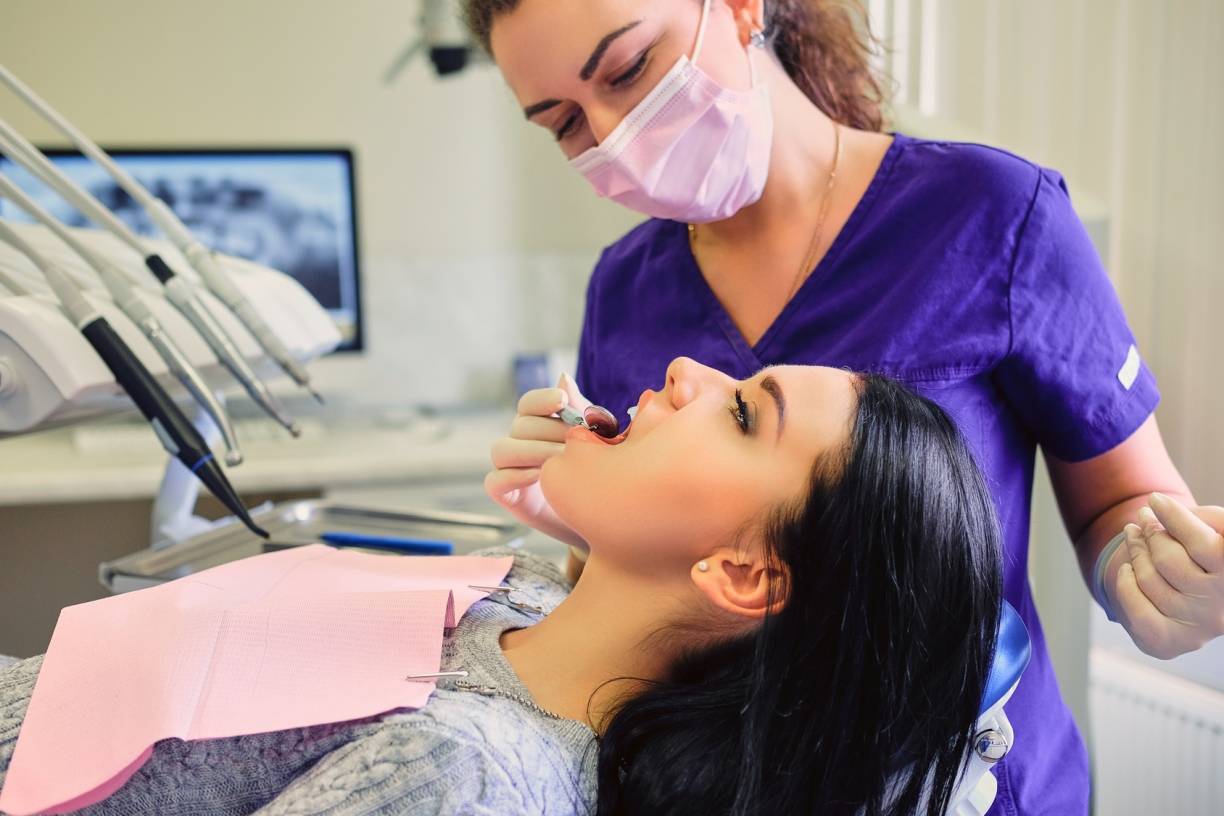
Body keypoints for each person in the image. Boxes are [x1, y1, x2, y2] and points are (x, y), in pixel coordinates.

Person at [471, 1, 1224, 812]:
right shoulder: (626, 287)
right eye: (563, 123)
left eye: (627, 69)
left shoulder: (991, 212)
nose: (610, 132)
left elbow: (1124, 502)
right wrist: (584, 519)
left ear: (739, 8)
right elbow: (668, 594)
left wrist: (1161, 583)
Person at [1, 361, 1003, 815]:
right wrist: (596, 540)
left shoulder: (461, 778)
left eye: (743, 413)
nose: (685, 372)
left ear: (742, 573)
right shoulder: (526, 599)